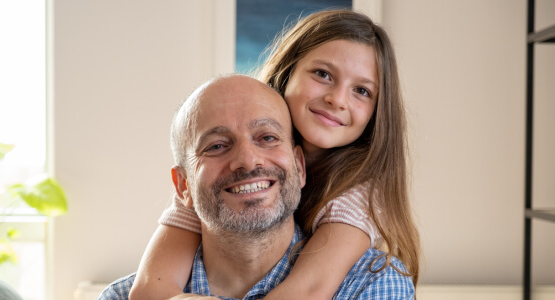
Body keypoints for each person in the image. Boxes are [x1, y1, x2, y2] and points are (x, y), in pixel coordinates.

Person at [129, 9, 420, 300]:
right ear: (287, 72)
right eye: (322, 74)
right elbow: (149, 289)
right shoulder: (208, 181)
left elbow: (307, 291)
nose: (337, 99)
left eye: (362, 90)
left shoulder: (358, 199)